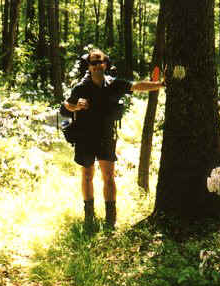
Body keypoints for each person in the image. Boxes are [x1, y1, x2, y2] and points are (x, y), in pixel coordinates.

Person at [63, 48, 165, 230]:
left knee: (108, 176)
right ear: (89, 66)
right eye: (93, 63)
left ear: (105, 64)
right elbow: (66, 106)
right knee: (87, 176)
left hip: (106, 137)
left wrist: (159, 84)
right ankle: (89, 217)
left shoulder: (114, 84)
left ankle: (111, 219)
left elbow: (136, 86)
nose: (97, 66)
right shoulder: (81, 87)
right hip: (85, 137)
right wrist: (76, 106)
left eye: (100, 62)